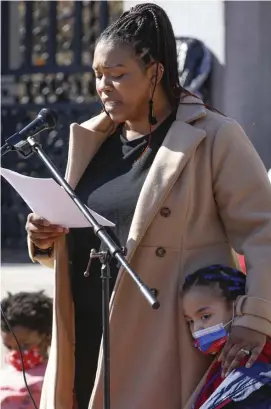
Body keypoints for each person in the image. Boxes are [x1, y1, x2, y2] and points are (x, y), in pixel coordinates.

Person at [25, 3, 271, 409]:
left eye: (118, 75)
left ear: (156, 72)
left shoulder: (214, 138)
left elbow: (264, 233)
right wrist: (47, 238)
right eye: (98, 75)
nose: (104, 86)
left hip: (165, 342)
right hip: (86, 333)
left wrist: (255, 319)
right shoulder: (92, 142)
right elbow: (99, 231)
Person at [182, 265, 271, 409]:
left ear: (238, 309)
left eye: (205, 316)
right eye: (190, 321)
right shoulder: (220, 366)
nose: (196, 329)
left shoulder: (258, 370)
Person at [0, 291, 53, 409]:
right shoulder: (4, 376)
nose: (16, 353)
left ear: (47, 337)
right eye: (9, 347)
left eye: (24, 346)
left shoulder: (55, 377)